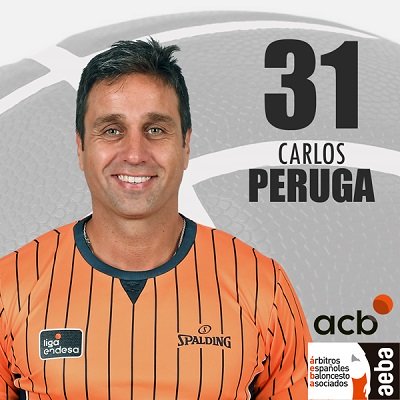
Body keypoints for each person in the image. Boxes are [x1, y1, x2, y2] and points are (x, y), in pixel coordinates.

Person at [0, 38, 311, 399]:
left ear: (186, 145)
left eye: (156, 129)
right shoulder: (12, 286)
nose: (135, 154)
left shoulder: (263, 285)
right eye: (112, 130)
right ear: (81, 147)